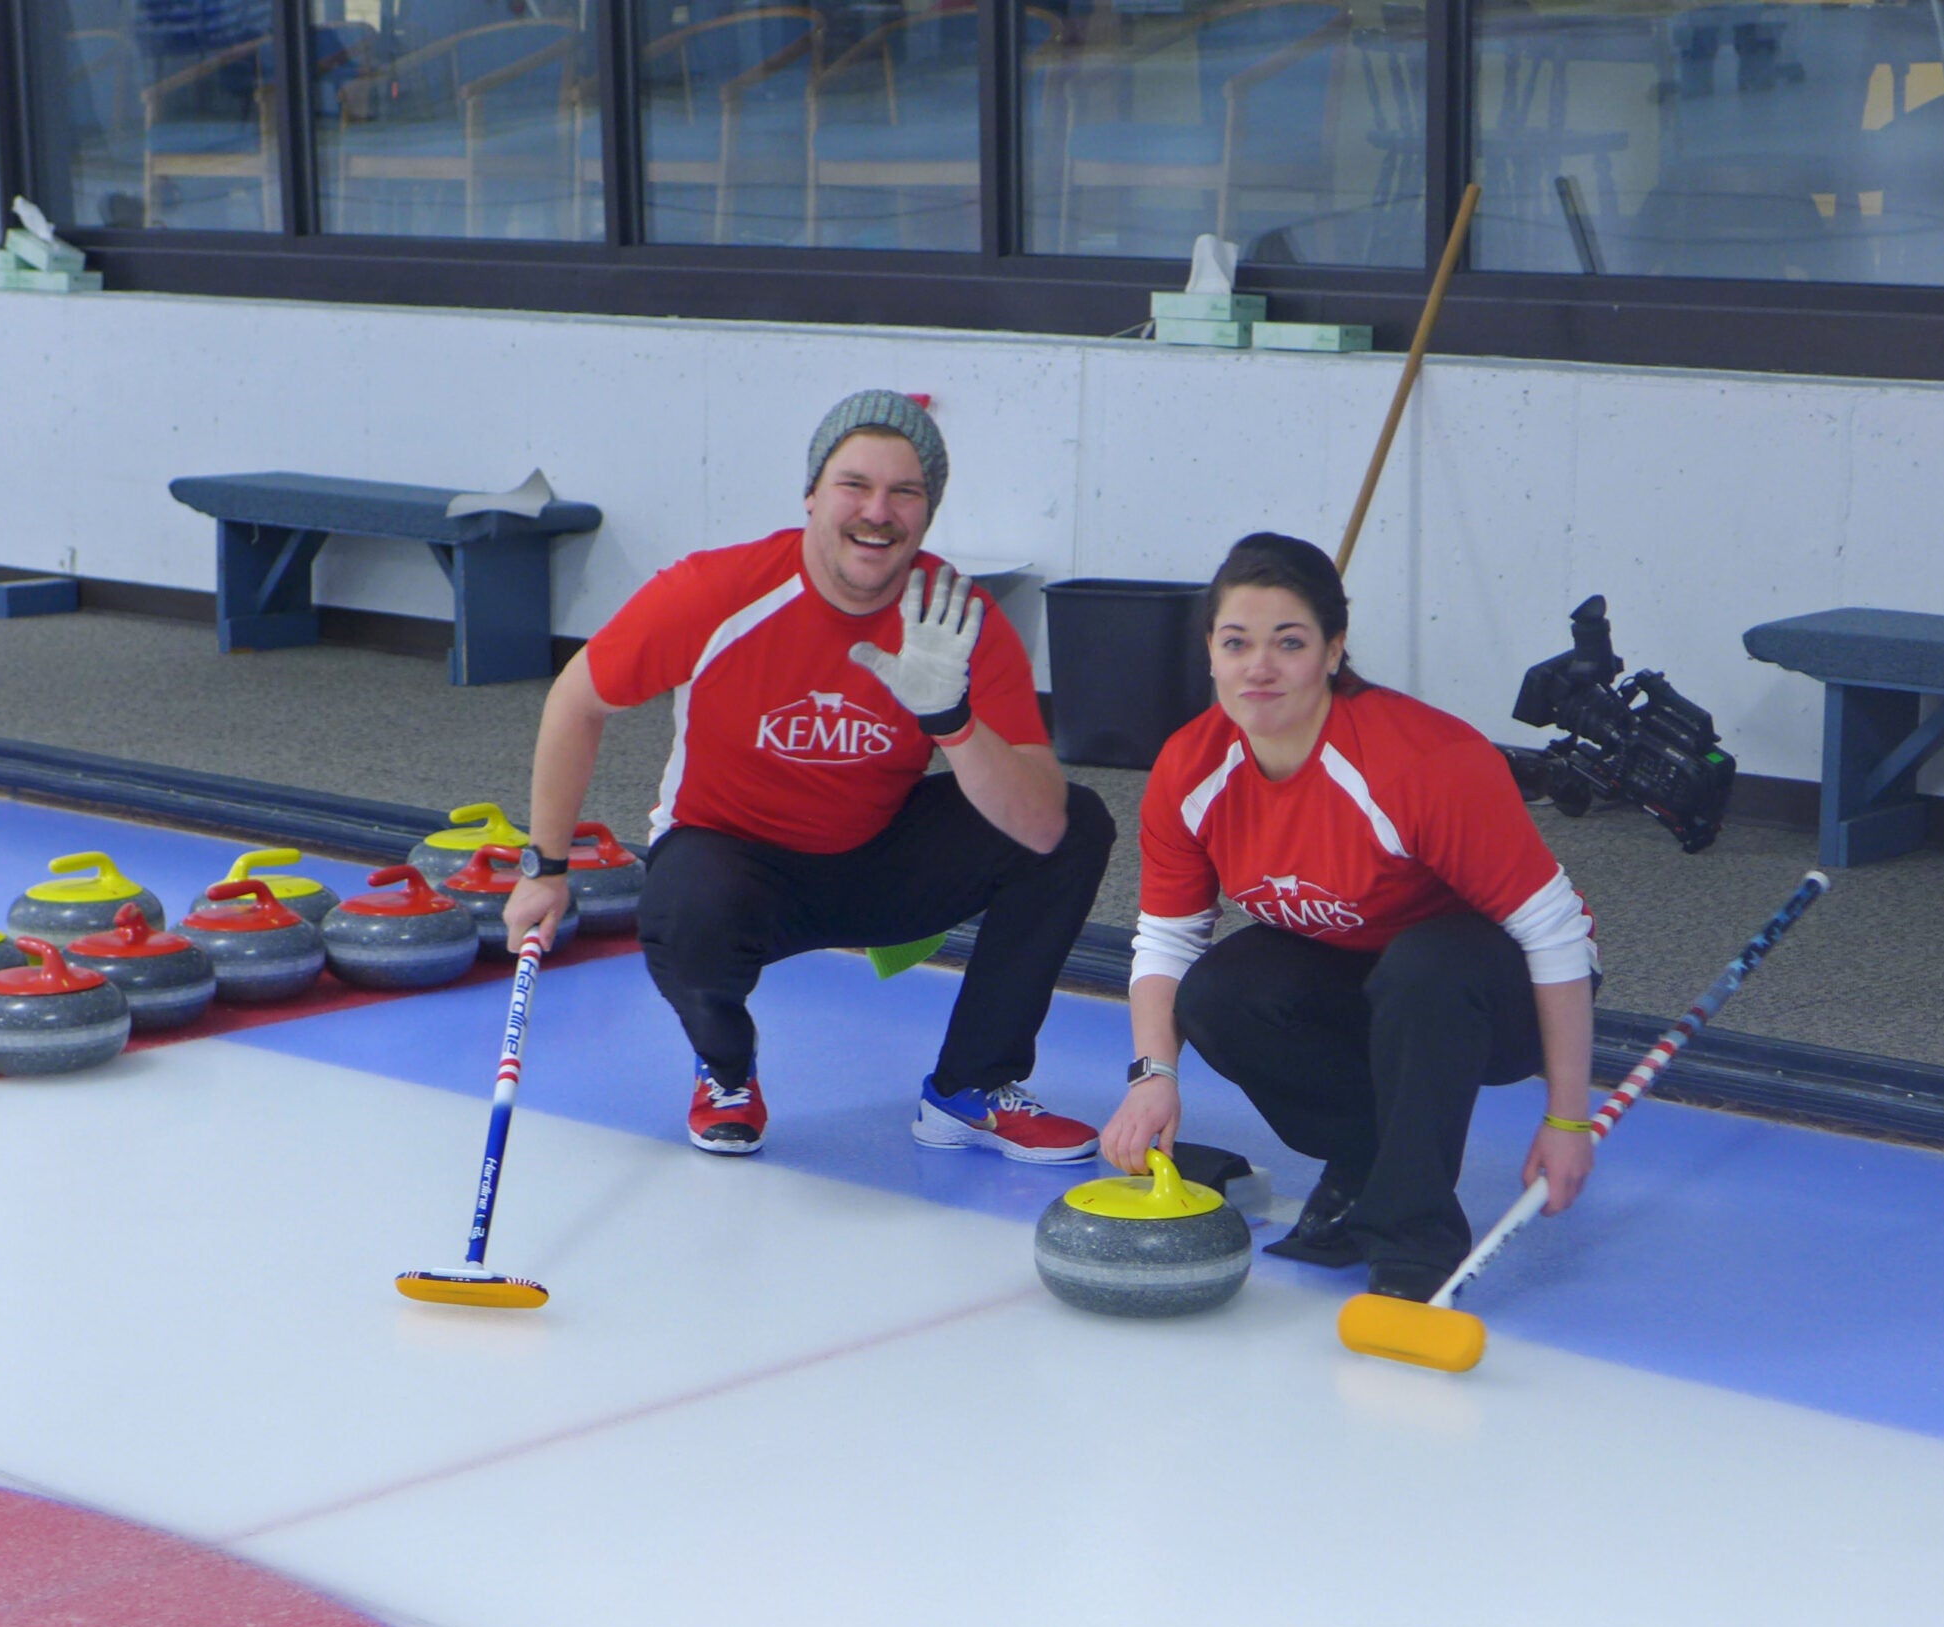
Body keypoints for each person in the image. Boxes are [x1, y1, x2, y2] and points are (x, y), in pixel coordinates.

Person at [503, 390, 1116, 1161]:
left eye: (905, 492)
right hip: (734, 862)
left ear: (928, 513)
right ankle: (726, 1070)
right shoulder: (717, 591)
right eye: (854, 484)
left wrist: (952, 720)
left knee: (1078, 824)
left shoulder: (955, 617)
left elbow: (1042, 824)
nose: (878, 511)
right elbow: (576, 700)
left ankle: (972, 1085)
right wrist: (546, 868)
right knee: (686, 910)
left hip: (877, 853)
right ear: (812, 496)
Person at [1096, 532, 1599, 1302]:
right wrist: (1152, 1076)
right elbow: (1168, 938)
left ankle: (1413, 1245)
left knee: (1424, 970)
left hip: (1498, 992)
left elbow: (1556, 935)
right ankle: (1377, 1163)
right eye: (1237, 642)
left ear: (1334, 650)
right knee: (1219, 994)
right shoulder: (1191, 768)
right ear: (1211, 654)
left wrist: (1568, 1118)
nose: (1259, 667)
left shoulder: (1421, 762)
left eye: (1289, 642)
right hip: (1368, 969)